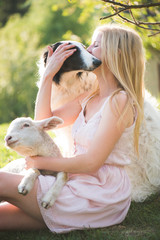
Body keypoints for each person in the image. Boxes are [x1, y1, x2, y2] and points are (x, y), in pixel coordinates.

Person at [0, 24, 145, 232]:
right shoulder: (88, 98)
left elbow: (91, 162)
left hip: (98, 195)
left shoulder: (119, 101)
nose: (88, 48)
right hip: (73, 185)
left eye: (96, 45)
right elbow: (42, 122)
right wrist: (48, 75)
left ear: (116, 53)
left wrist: (38, 162)